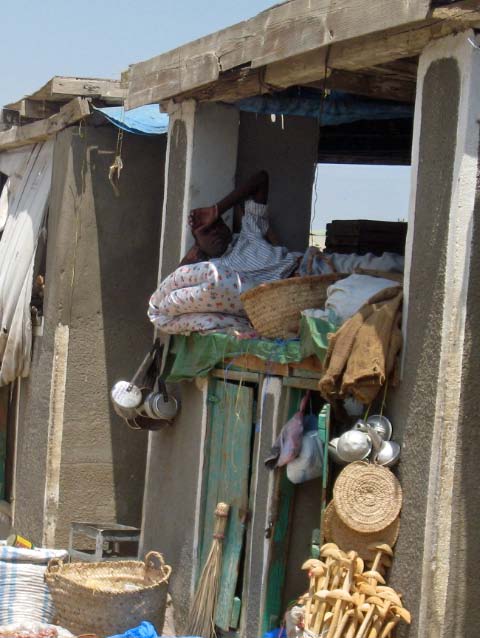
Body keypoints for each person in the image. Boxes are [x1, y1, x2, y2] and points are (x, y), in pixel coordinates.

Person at [148, 171, 300, 334]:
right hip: (283, 301)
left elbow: (261, 178)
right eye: (206, 232)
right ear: (197, 243)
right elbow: (175, 284)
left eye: (217, 225)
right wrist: (195, 252)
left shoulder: (249, 232)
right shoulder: (215, 272)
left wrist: (217, 209)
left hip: (305, 269)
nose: (215, 232)